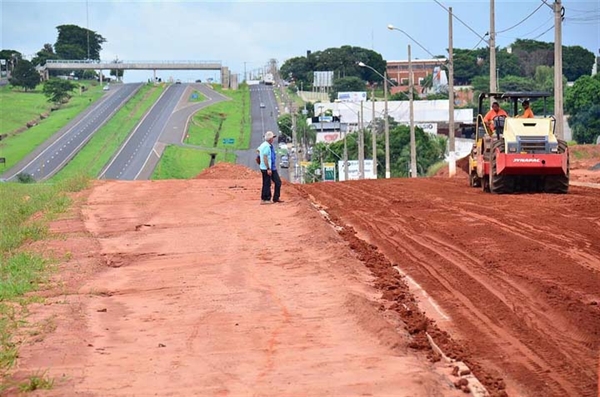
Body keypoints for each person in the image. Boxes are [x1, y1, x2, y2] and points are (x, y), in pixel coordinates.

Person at [257, 131, 283, 204]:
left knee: (277, 182)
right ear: (270, 139)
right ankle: (265, 199)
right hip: (267, 168)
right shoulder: (266, 146)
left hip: (270, 167)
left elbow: (258, 151)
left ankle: (275, 198)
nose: (273, 139)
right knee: (267, 183)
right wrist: (268, 168)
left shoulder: (265, 145)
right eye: (272, 138)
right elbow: (265, 157)